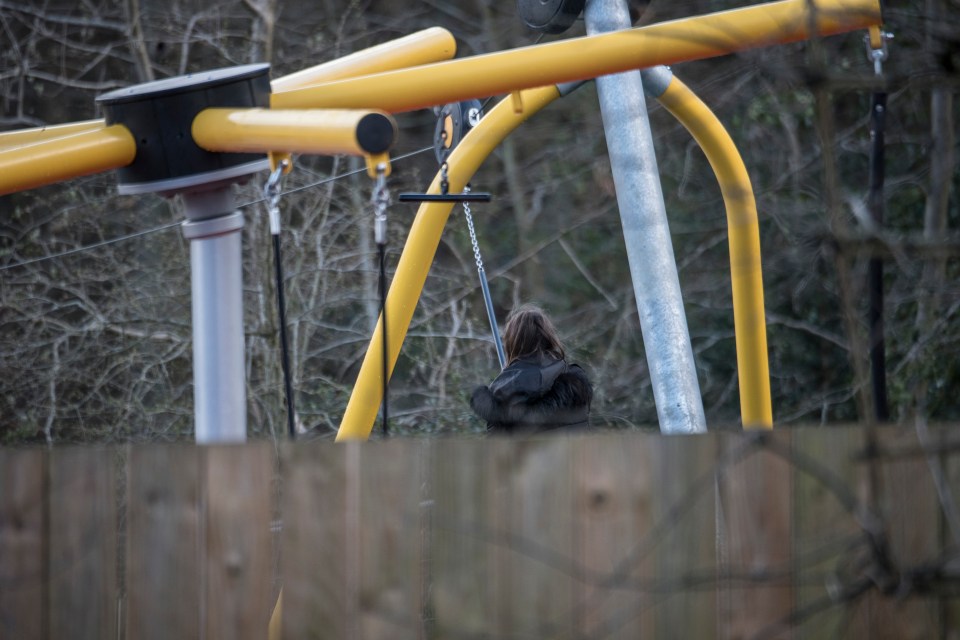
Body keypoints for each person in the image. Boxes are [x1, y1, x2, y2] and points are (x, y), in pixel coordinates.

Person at [470, 304, 592, 433]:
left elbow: (498, 446)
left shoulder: (503, 390)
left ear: (513, 342)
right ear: (548, 337)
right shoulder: (574, 380)